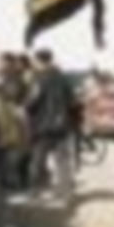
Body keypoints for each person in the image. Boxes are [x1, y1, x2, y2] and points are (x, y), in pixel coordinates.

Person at [25, 49, 78, 202]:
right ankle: (64, 192)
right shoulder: (62, 77)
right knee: (62, 161)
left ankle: (34, 192)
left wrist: (25, 108)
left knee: (37, 161)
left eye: (34, 61)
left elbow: (33, 100)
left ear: (38, 61)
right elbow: (72, 101)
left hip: (44, 126)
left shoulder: (39, 78)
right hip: (62, 126)